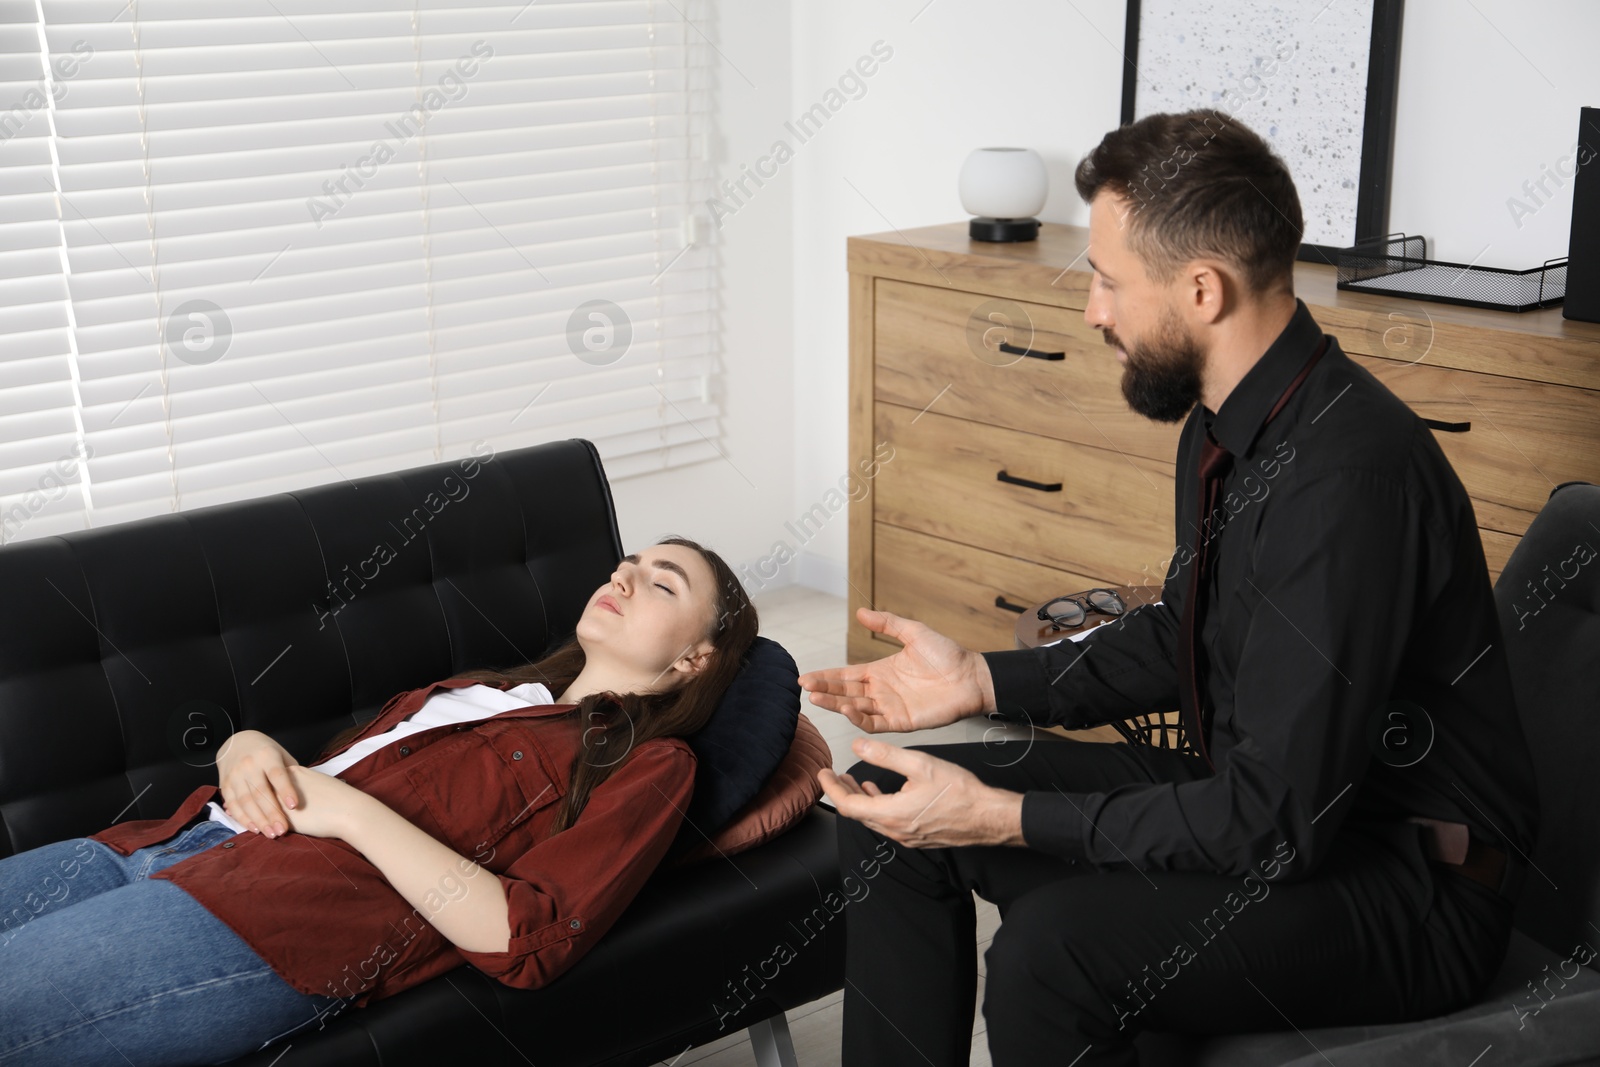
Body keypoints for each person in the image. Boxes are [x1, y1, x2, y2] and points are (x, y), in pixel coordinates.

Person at [802, 110, 1538, 1067]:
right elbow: (1181, 634)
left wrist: (1002, 816)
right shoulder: (1226, 423)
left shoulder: (1348, 479)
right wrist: (982, 679)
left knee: (1049, 954)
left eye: (1109, 280)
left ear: (1202, 289)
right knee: (884, 799)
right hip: (1263, 801)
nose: (1091, 310)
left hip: (1408, 882)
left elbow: (1275, 822)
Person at [0, 536, 758, 1066]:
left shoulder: (655, 764)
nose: (623, 577)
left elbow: (526, 942)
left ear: (695, 657)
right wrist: (247, 746)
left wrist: (347, 814)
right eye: (627, 563)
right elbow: (330, 772)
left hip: (263, 918)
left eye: (662, 582)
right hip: (161, 841)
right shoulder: (490, 691)